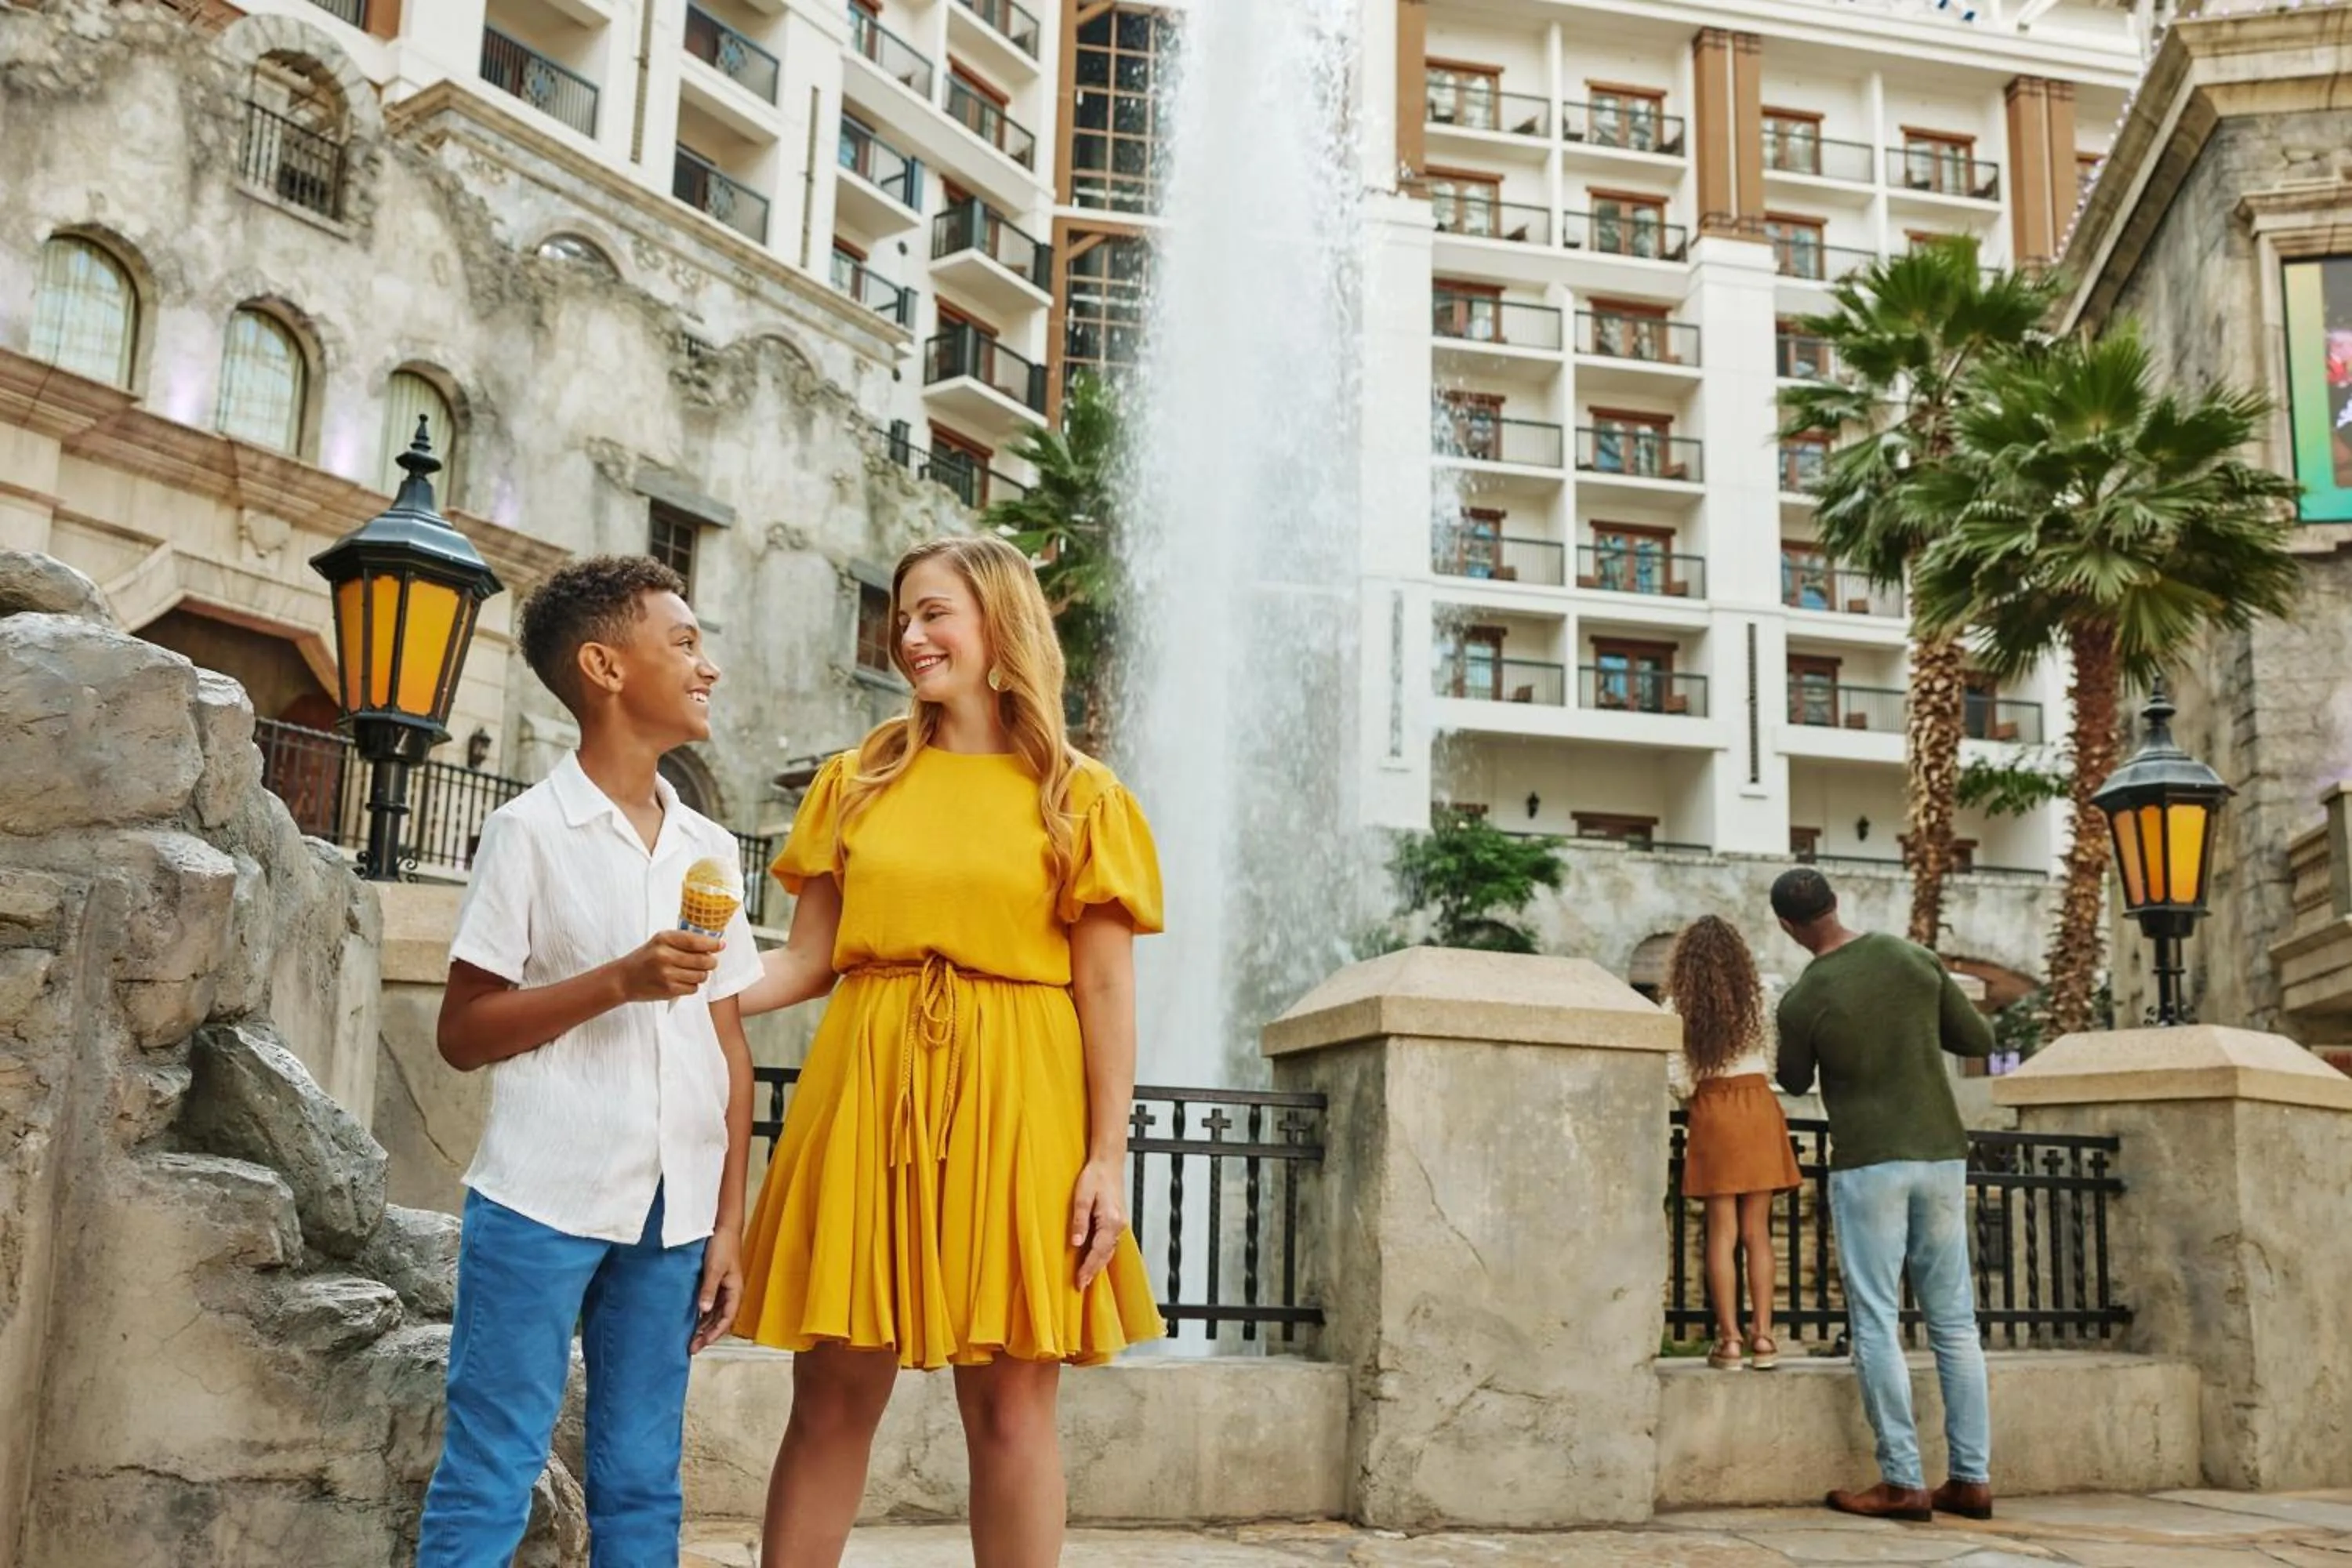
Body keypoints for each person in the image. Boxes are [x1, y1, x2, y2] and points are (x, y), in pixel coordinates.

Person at [732, 535, 1165, 1568]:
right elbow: (807, 959)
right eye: (904, 617)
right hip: (868, 1083)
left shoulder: (1082, 797)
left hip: (1021, 1097)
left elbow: (1105, 990)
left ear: (1000, 628)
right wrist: (690, 999)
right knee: (833, 1390)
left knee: (1012, 1401)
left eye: (935, 614)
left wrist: (1106, 1160)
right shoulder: (856, 780)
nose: (910, 636)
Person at [418, 556, 764, 1565]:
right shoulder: (527, 831)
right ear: (605, 666)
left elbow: (727, 1041)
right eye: (685, 641)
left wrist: (728, 1219)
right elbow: (464, 1030)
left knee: (643, 1476)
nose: (708, 667)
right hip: (540, 1196)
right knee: (492, 1463)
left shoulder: (710, 845)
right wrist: (617, 980)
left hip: (673, 1211)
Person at [1771, 866, 1997, 1524]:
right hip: (1941, 1155)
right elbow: (1977, 1041)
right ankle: (1971, 1479)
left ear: (1788, 927)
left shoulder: (1805, 996)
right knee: (1955, 1322)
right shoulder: (1910, 957)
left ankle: (1903, 1481)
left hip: (1869, 1162)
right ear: (1837, 905)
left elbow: (1792, 1077)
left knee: (1875, 1319)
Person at [1664, 916, 1801, 1371]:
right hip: (1759, 1106)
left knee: (1721, 1234)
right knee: (1757, 1233)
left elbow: (1679, 1082)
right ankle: (1764, 1338)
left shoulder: (1676, 1006)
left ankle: (1730, 1342)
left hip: (1715, 1112)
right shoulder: (1758, 999)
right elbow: (1773, 1062)